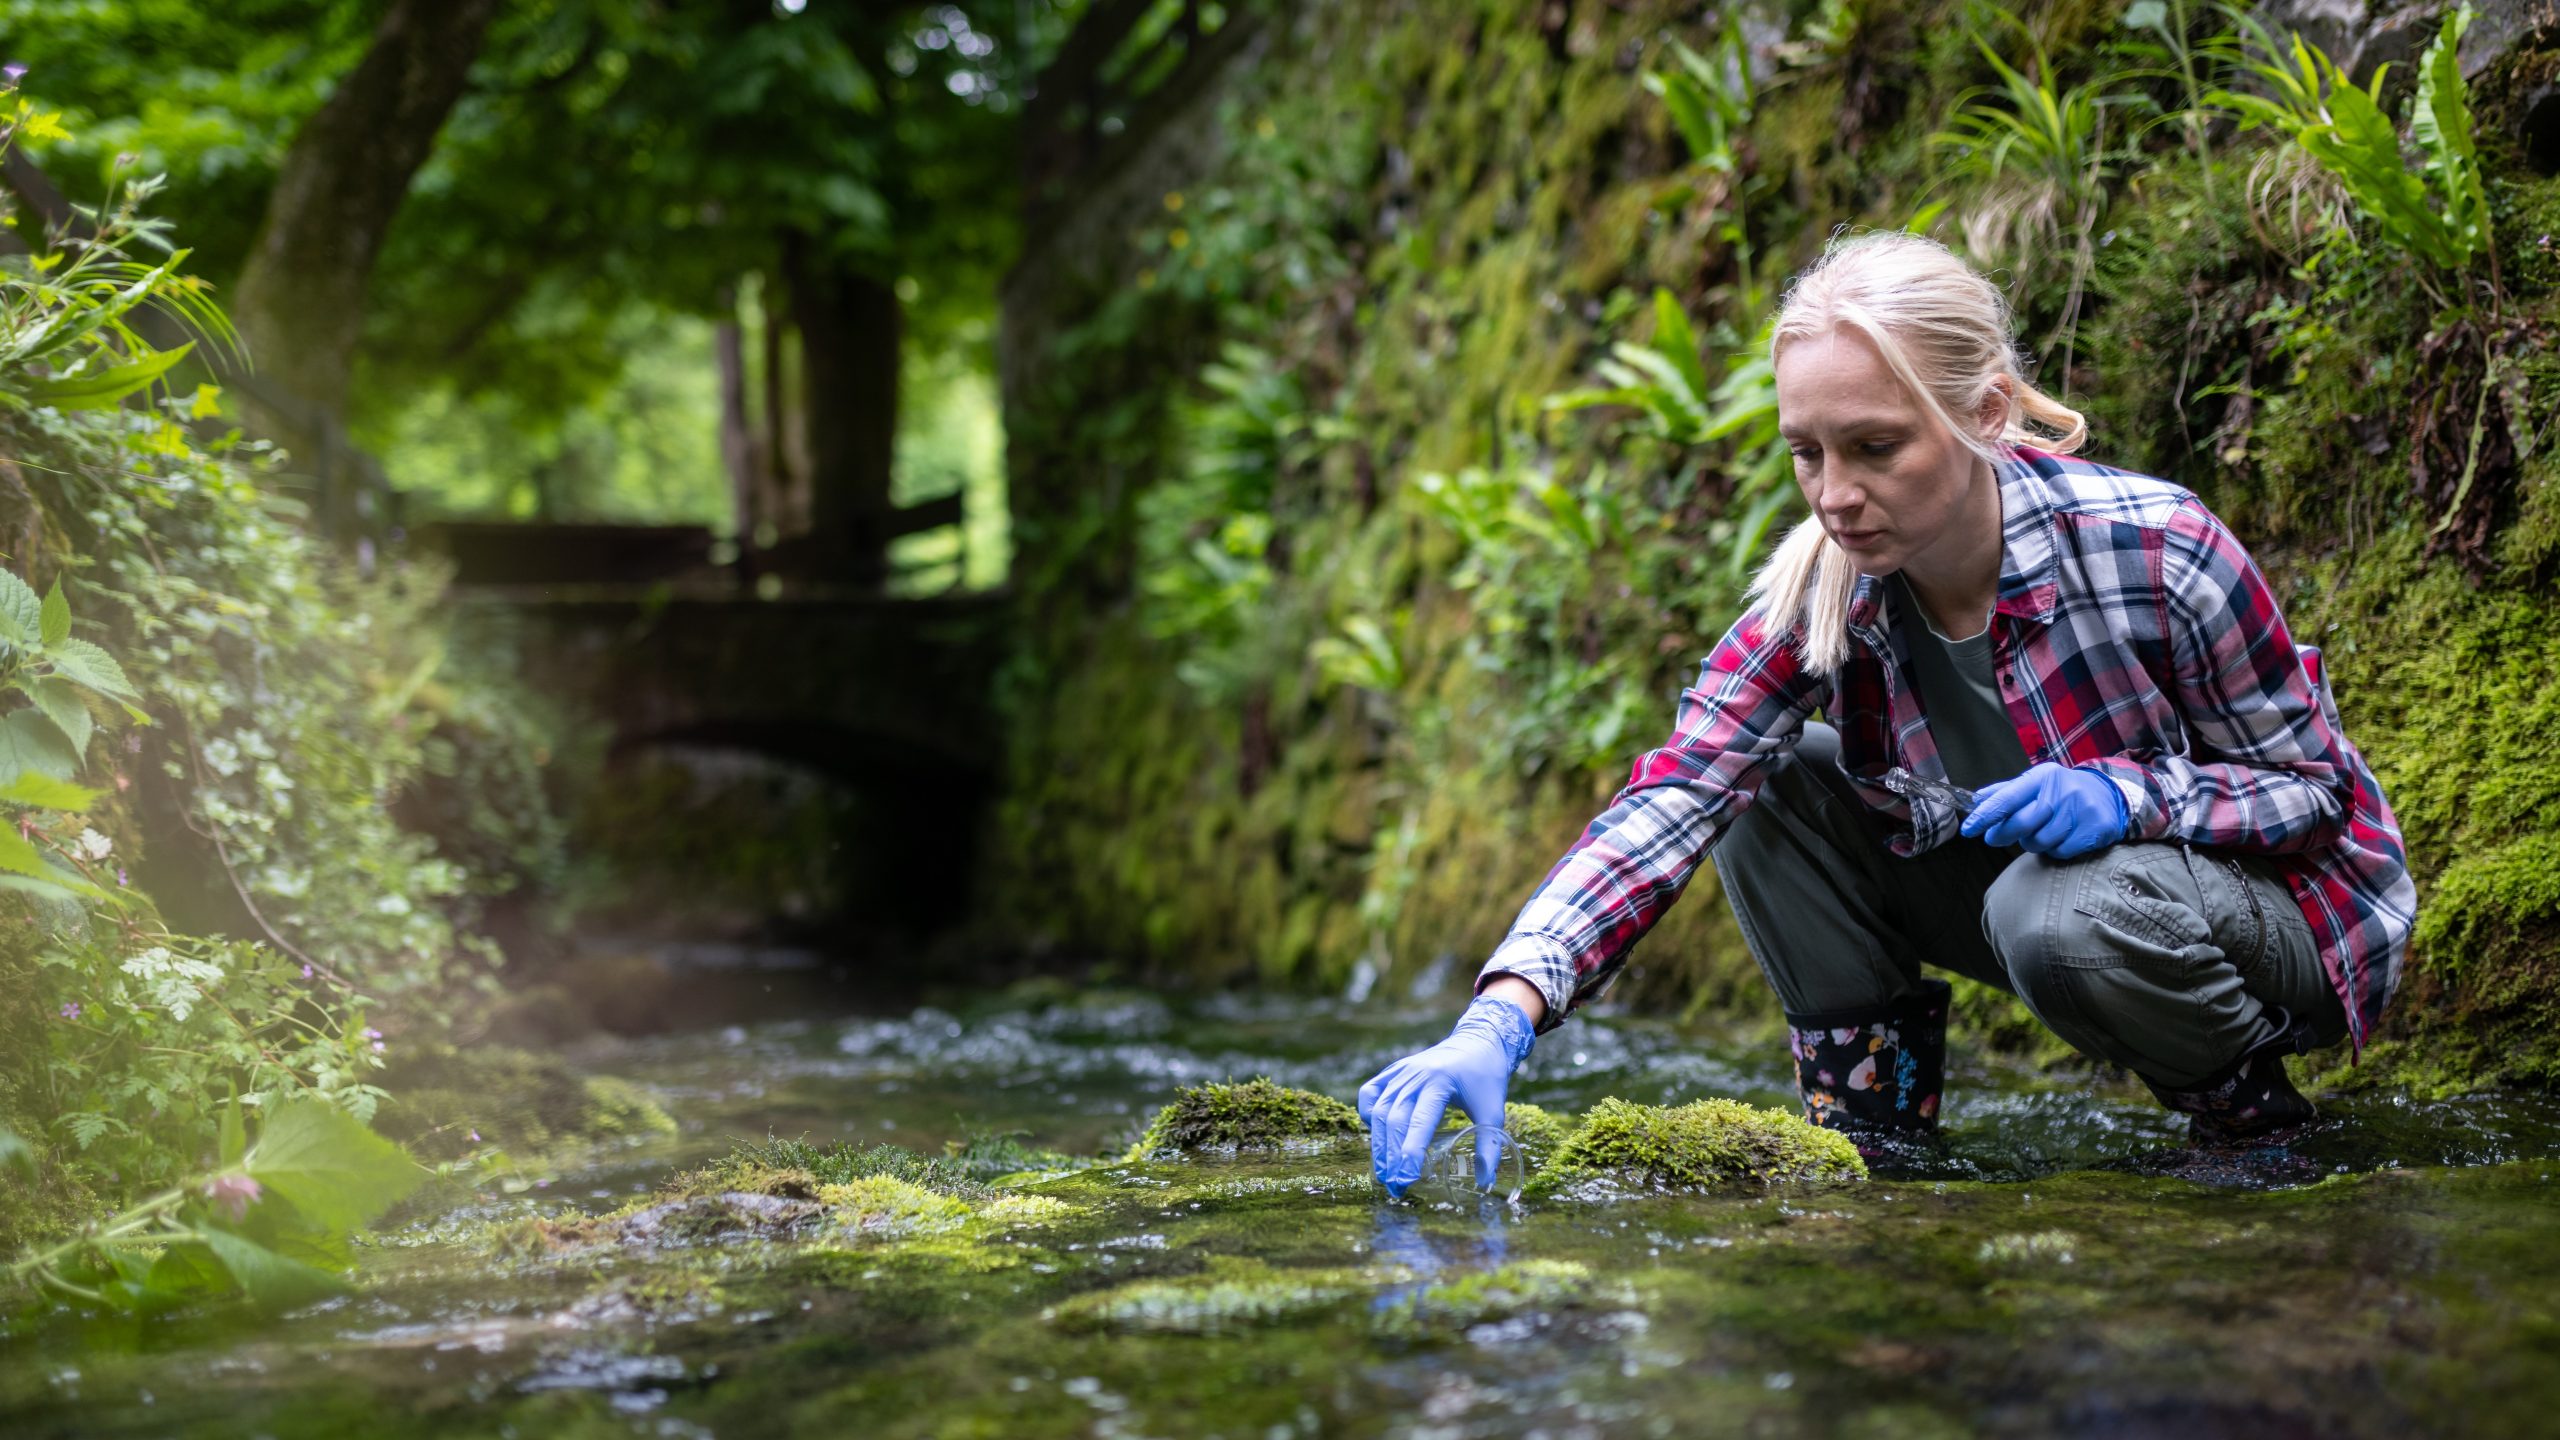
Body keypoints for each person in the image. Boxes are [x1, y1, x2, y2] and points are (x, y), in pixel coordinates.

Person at [1358, 228, 2417, 1195]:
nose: (1832, 495)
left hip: (2281, 930)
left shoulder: (2155, 546)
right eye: (1805, 453)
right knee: (1765, 786)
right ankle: (1876, 1152)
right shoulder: (1814, 592)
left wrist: (2127, 794)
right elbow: (1674, 796)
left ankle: (2254, 1130)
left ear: (1988, 412)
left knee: (2054, 913)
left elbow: (2312, 798)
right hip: (2045, 914)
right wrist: (1500, 1015)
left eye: (1873, 449)